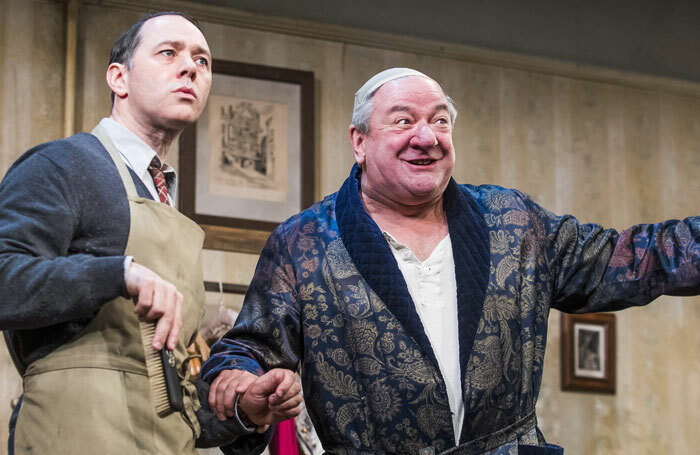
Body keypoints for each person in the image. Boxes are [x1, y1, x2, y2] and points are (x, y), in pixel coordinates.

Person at [200, 67, 700, 455]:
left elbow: (633, 257)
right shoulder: (303, 241)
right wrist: (245, 393)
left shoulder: (513, 220)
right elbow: (244, 355)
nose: (427, 135)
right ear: (359, 142)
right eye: (403, 121)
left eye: (440, 120)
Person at [0, 11, 300, 454]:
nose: (190, 68)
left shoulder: (168, 203)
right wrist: (118, 274)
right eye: (168, 53)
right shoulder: (63, 164)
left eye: (203, 61)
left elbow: (166, 391)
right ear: (118, 78)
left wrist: (243, 411)